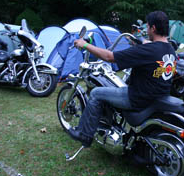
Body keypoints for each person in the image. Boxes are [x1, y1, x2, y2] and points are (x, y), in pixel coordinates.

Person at [69, 11, 177, 147]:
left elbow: (110, 57)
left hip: (138, 98)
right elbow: (151, 49)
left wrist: (85, 45)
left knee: (96, 93)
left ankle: (84, 135)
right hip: (158, 96)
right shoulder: (170, 49)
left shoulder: (148, 51)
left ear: (153, 28)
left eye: (148, 26)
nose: (146, 29)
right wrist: (142, 42)